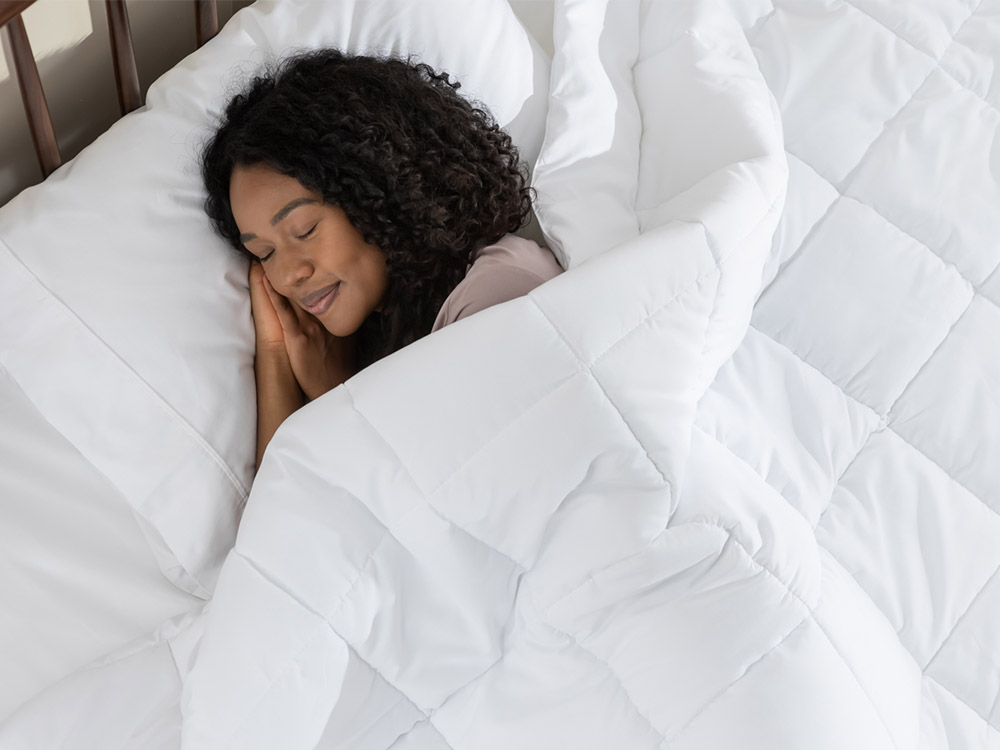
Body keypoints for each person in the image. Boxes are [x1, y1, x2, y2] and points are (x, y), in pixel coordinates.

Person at [201, 49, 563, 469]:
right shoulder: (380, 331)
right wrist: (276, 354)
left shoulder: (498, 292)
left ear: (382, 193)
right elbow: (282, 515)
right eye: (263, 253)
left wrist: (335, 393)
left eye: (304, 231)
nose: (288, 275)